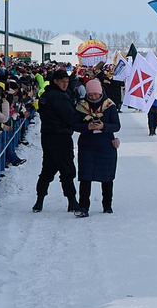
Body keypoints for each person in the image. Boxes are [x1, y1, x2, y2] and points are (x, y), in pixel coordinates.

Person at [34, 69, 80, 210]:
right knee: (66, 170)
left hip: (47, 136)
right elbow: (70, 117)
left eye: (67, 81)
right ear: (55, 81)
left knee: (47, 169)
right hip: (61, 137)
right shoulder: (60, 97)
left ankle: (39, 201)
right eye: (62, 82)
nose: (65, 84)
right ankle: (72, 201)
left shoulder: (45, 95)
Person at [75, 79, 119, 215]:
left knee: (107, 177)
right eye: (91, 94)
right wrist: (87, 127)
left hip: (106, 145)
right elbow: (74, 124)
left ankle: (107, 205)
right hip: (87, 145)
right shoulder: (81, 106)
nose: (93, 97)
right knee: (85, 177)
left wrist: (104, 126)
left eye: (96, 94)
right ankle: (83, 207)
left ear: (100, 92)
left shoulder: (109, 105)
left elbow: (116, 125)